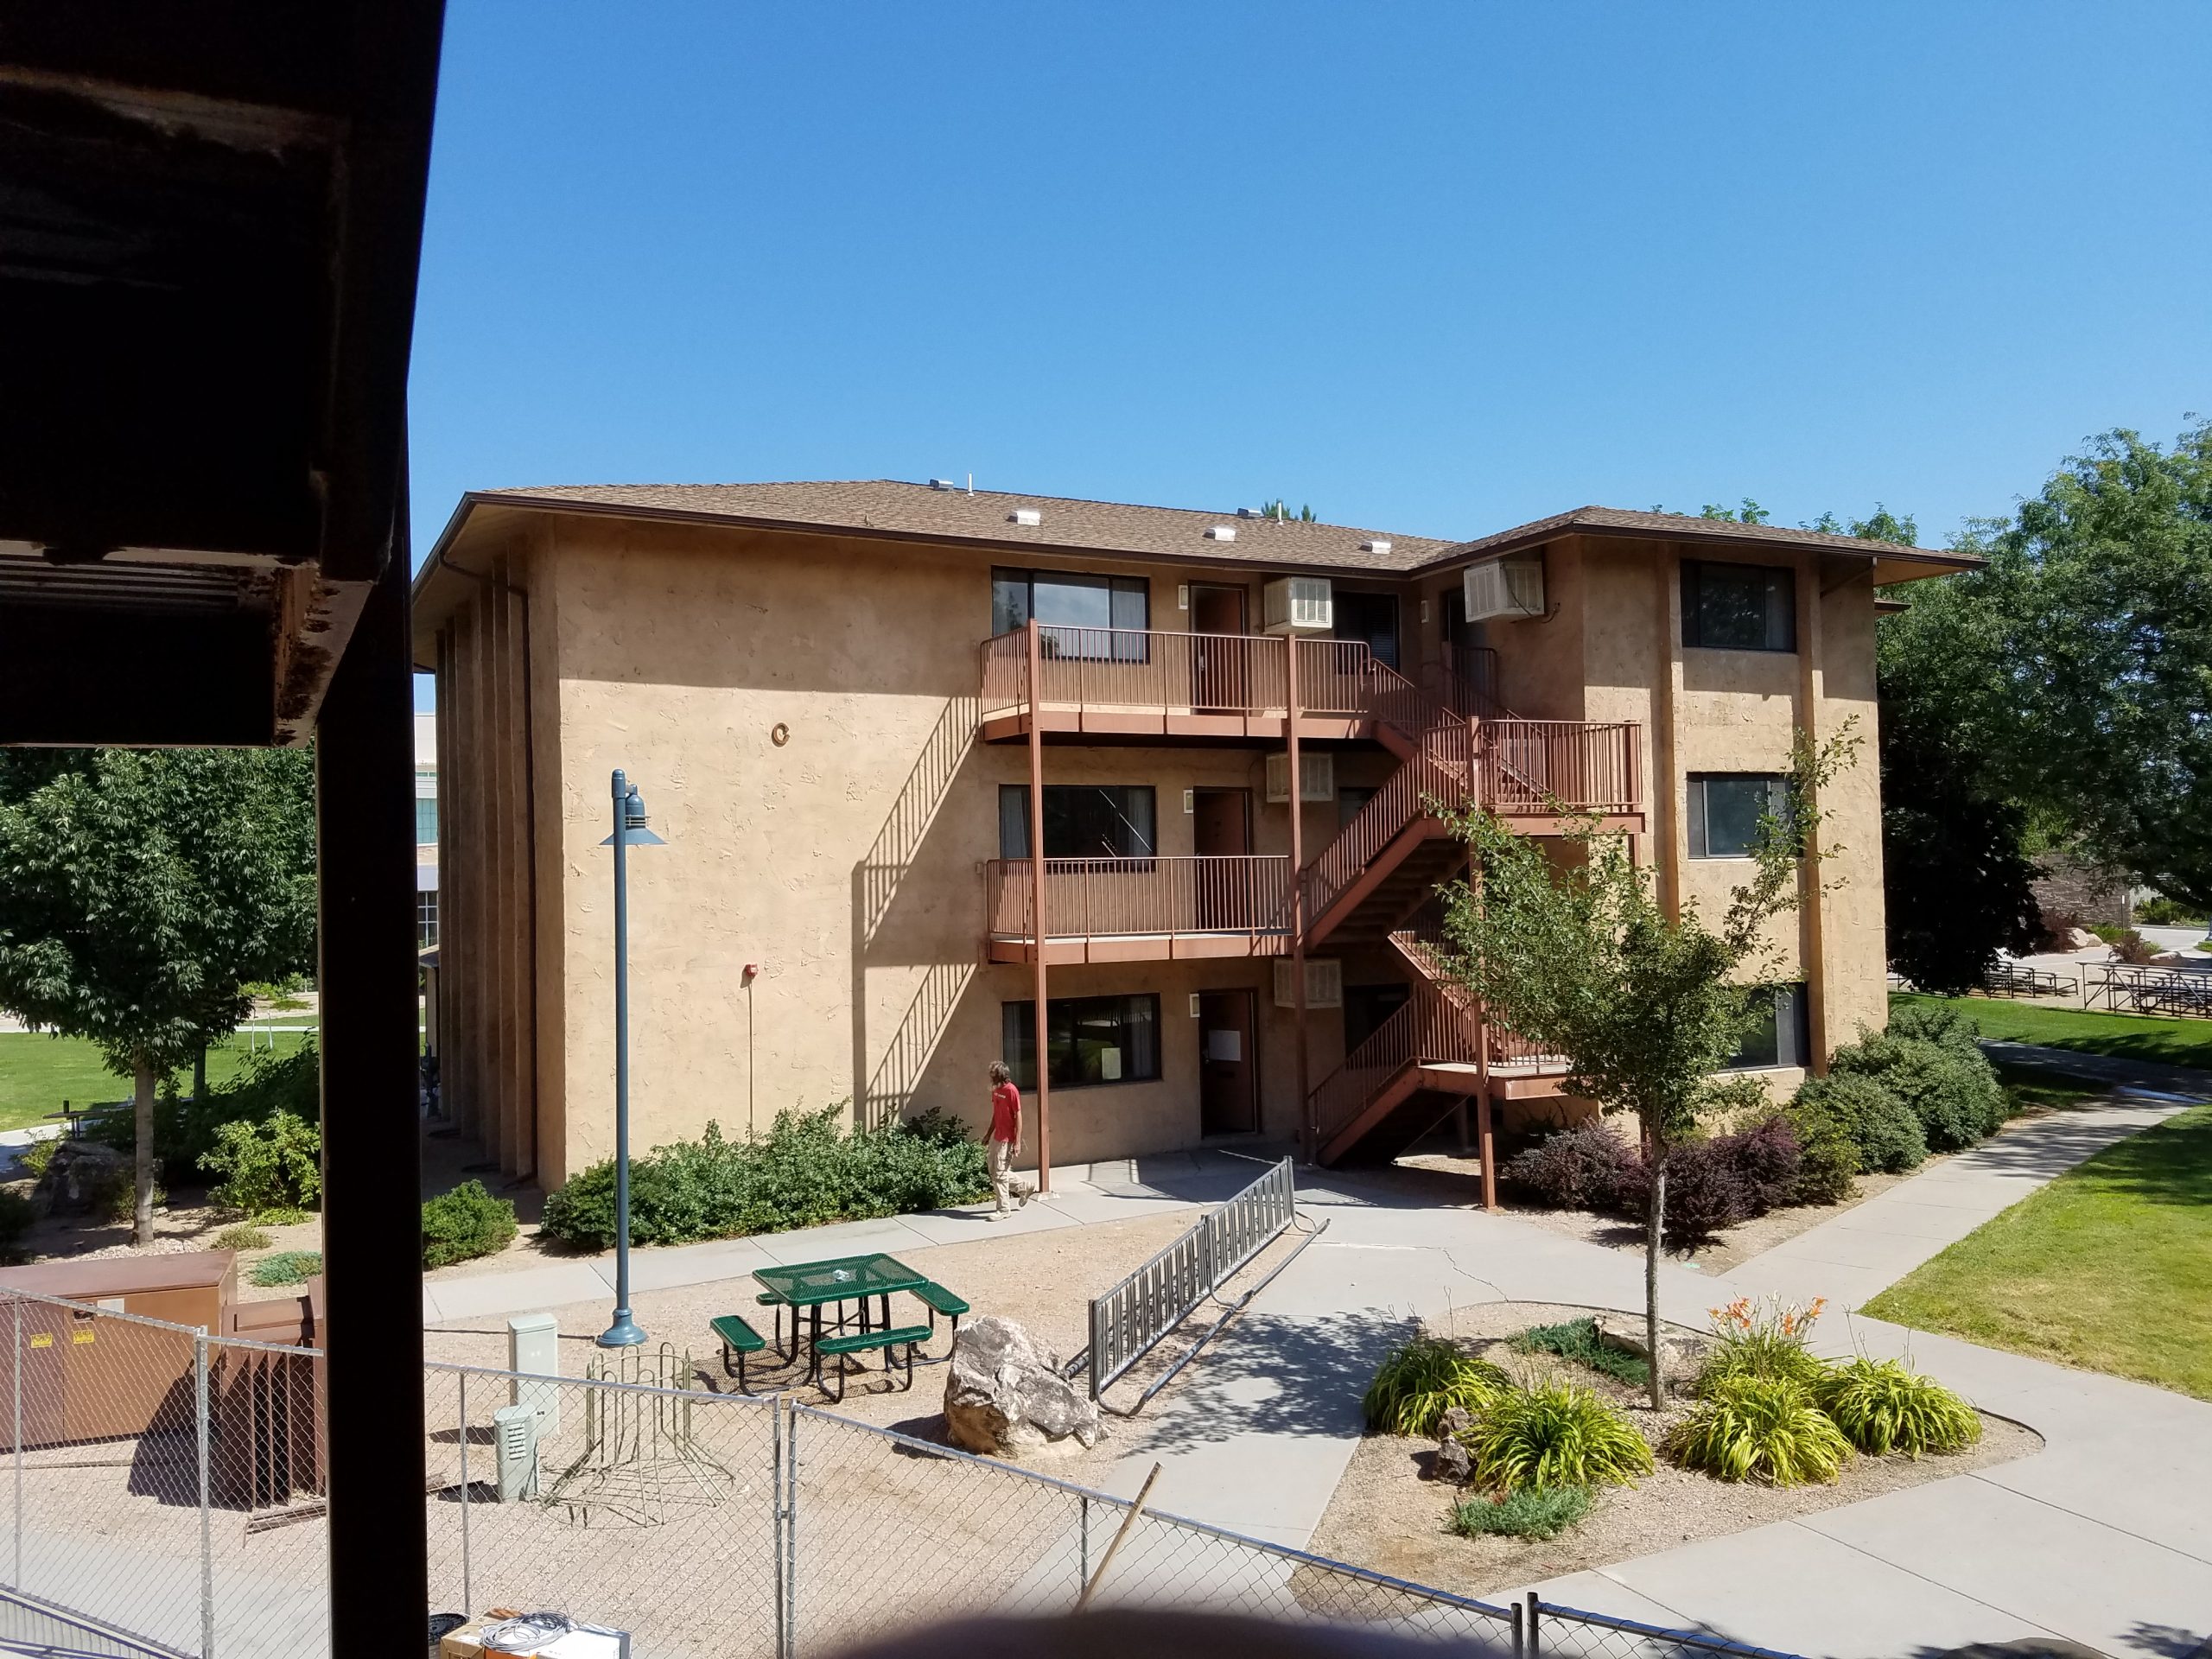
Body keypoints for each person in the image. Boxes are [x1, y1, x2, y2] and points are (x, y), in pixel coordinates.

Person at [987, 1060, 1032, 1217]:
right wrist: (988, 1134)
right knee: (994, 1171)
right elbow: (996, 1113)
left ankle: (1003, 1209)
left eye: (993, 1074)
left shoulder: (1011, 1090)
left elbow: (1018, 1115)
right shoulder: (996, 1090)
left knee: (1000, 1174)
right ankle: (1024, 1187)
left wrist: (1017, 1142)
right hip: (997, 1136)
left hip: (1007, 1139)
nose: (991, 1077)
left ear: (1000, 1075)